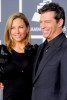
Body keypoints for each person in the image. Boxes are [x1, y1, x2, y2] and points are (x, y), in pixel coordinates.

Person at [32, 2, 67, 100]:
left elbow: (66, 90)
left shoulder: (65, 48)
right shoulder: (40, 48)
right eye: (41, 22)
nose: (42, 26)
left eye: (47, 22)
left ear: (59, 22)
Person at [0, 12, 38, 100]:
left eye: (21, 27)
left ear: (27, 28)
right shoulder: (2, 52)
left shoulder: (35, 51)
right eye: (13, 28)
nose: (17, 32)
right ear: (9, 31)